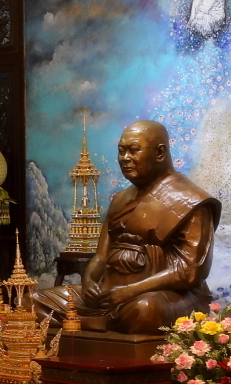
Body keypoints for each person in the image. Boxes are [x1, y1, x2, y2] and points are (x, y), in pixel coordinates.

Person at [34, 120, 219, 335]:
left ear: (160, 153)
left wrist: (130, 291)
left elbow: (189, 272)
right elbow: (101, 257)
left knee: (145, 311)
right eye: (121, 151)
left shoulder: (191, 201)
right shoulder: (121, 199)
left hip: (163, 297)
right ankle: (100, 322)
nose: (125, 158)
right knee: (33, 302)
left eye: (134, 150)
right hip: (109, 294)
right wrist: (90, 281)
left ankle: (90, 322)